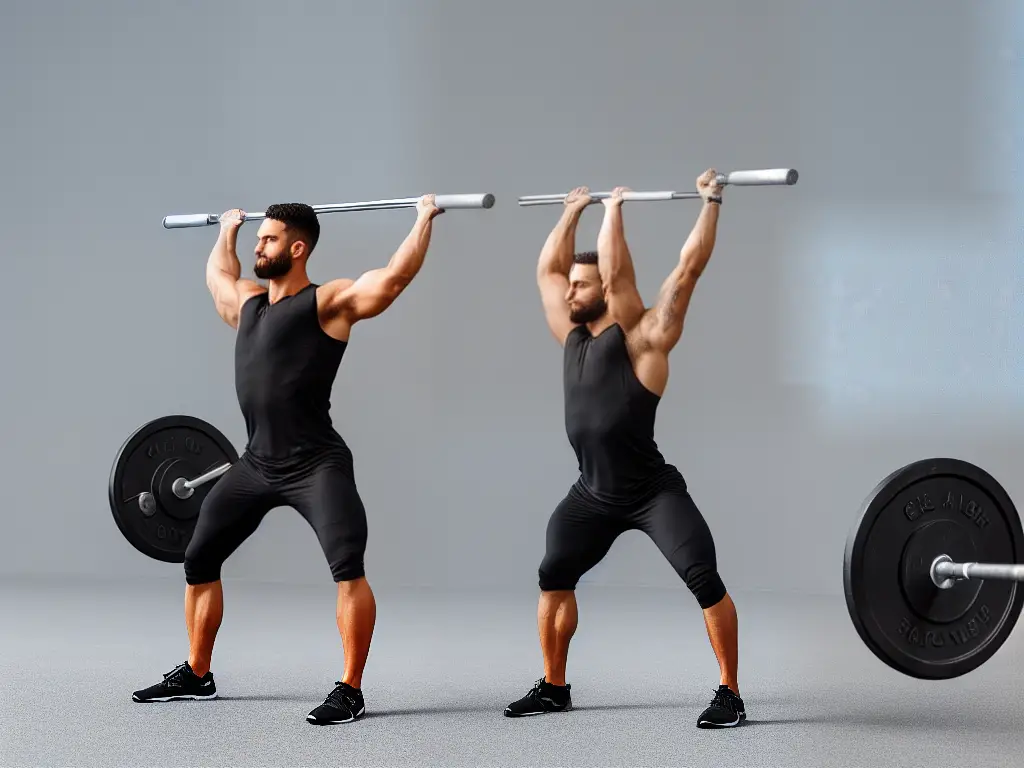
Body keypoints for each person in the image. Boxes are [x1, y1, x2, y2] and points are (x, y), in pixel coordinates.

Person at [131, 195, 444, 725]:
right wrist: (228, 231)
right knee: (199, 559)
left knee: (348, 568)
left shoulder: (328, 304)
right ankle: (198, 673)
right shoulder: (248, 303)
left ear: (297, 249)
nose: (260, 244)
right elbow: (217, 277)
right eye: (258, 238)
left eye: (268, 238)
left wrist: (422, 217)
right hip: (254, 464)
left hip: (315, 464)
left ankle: (350, 689)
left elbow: (390, 280)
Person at [504, 171, 744, 729]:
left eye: (581, 286)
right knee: (553, 573)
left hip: (649, 493)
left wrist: (704, 202)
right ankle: (555, 685)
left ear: (605, 292)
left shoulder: (644, 340)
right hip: (592, 493)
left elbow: (683, 269)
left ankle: (730, 692)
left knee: (704, 578)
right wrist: (571, 212)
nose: (569, 293)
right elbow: (546, 270)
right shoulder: (571, 333)